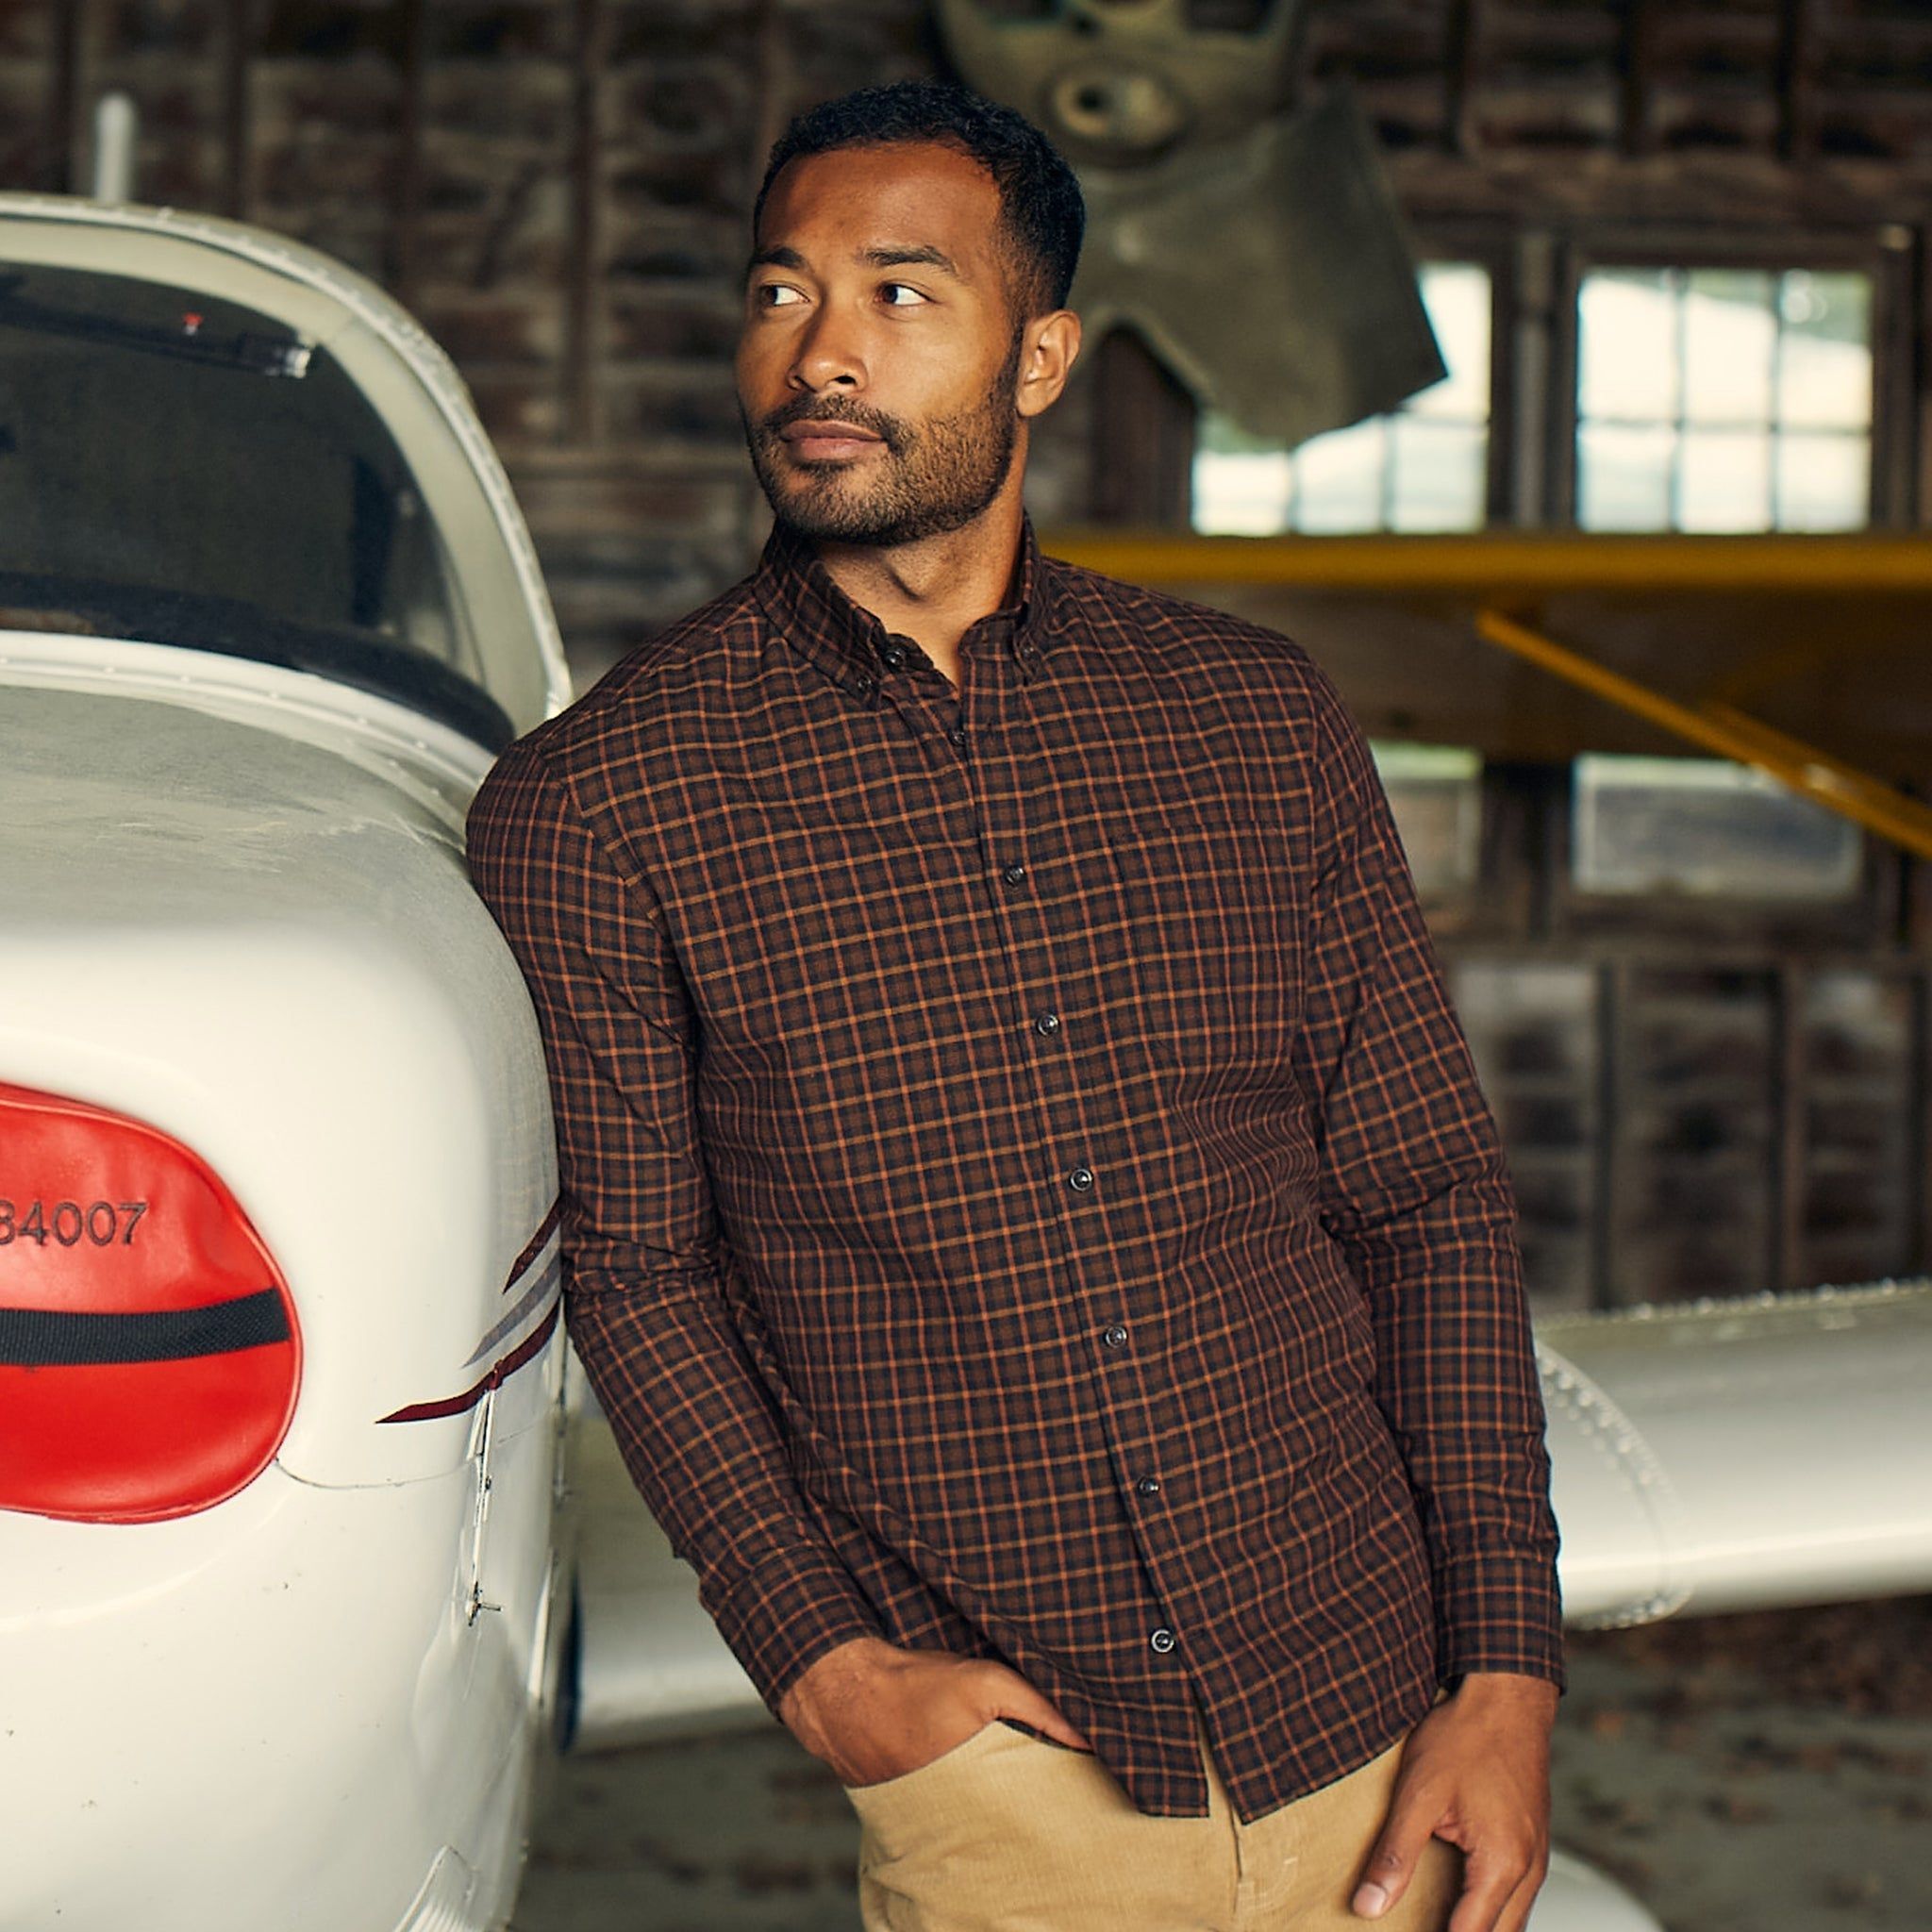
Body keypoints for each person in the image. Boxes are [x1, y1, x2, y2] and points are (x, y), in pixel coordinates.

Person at [468, 78, 1563, 1932]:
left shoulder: (1254, 723)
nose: (820, 353)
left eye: (900, 294)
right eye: (780, 293)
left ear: (1038, 355)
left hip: (1381, 1721)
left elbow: (1422, 1198)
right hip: (1014, 1789)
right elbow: (643, 1279)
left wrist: (1508, 1669)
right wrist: (825, 1665)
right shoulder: (601, 806)